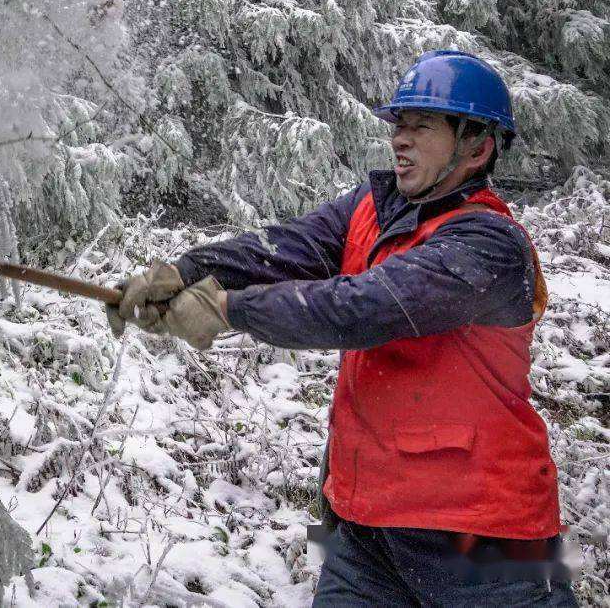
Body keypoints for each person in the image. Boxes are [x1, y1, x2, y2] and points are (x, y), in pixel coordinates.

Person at [106, 49, 577, 606]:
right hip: (361, 529)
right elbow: (281, 248)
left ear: (477, 146)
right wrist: (183, 272)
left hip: (483, 539)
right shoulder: (371, 209)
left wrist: (225, 309)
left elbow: (362, 308)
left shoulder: (488, 243)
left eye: (421, 127)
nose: (400, 139)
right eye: (398, 125)